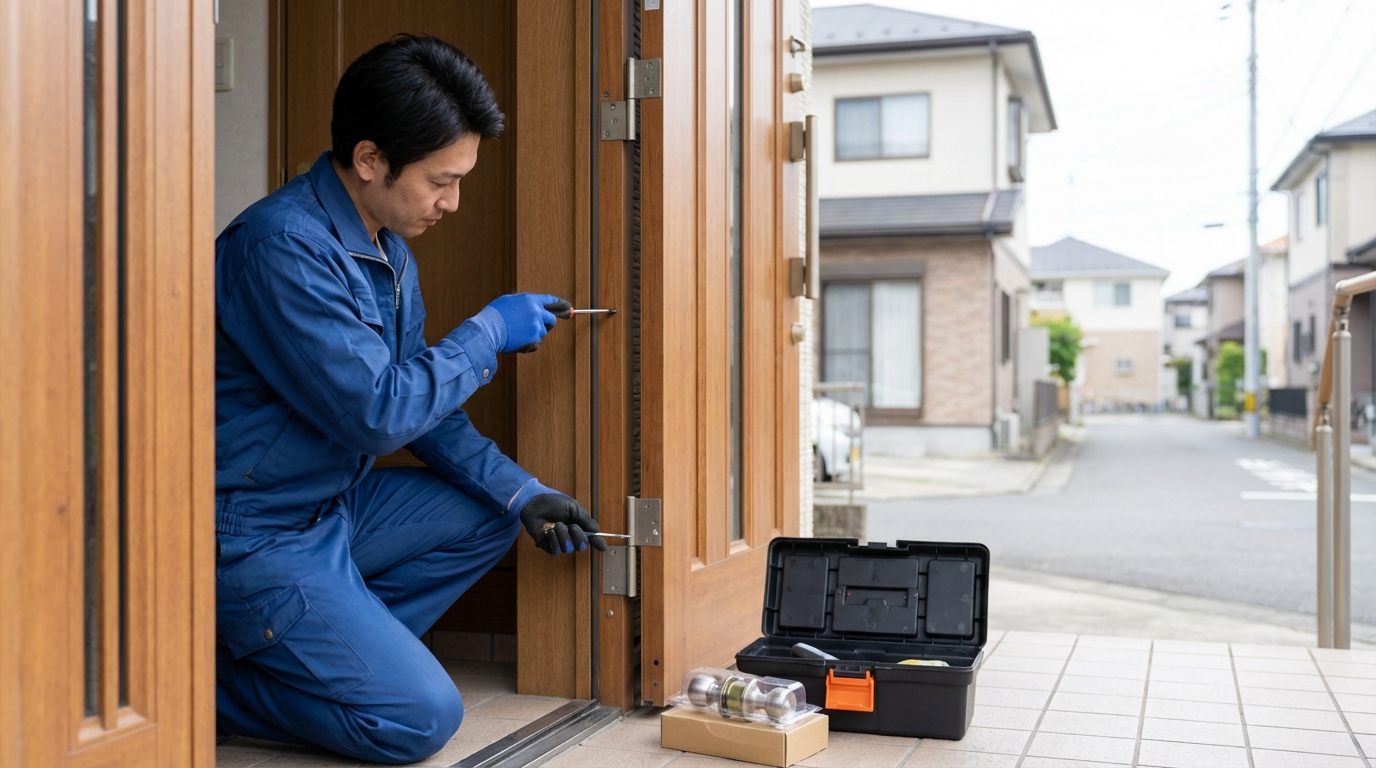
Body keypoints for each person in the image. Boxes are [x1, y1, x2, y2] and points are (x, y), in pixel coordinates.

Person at [212, 34, 605, 764]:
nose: (451, 203)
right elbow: (378, 412)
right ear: (369, 160)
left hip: (332, 509)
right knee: (418, 720)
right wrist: (485, 334)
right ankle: (211, 683)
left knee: (490, 512)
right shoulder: (279, 246)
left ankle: (330, 650)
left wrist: (523, 492)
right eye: (439, 181)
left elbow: (422, 409)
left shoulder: (388, 249)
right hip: (253, 529)